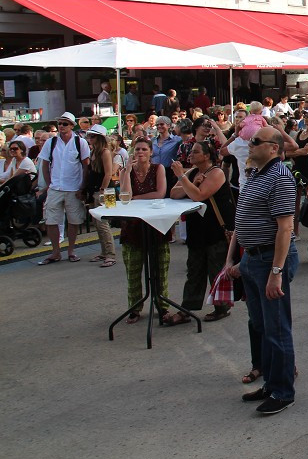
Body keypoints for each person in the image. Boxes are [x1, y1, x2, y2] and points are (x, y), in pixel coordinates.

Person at [224, 127, 299, 415]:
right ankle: (271, 382)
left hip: (270, 259)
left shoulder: (280, 176)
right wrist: (235, 260)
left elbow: (285, 227)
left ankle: (283, 392)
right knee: (262, 326)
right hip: (253, 259)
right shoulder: (256, 174)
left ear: (272, 148)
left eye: (255, 141)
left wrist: (276, 271)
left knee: (277, 327)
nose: (249, 144)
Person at [169, 140, 233, 323]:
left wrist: (183, 178)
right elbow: (174, 193)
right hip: (197, 229)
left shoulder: (216, 172)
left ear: (206, 155)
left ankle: (222, 307)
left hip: (215, 229)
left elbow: (199, 195)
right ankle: (187, 309)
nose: (191, 154)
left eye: (196, 152)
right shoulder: (193, 172)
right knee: (194, 270)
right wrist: (188, 180)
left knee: (215, 270)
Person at [117, 138, 167, 323]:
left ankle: (163, 306)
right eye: (137, 149)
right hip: (133, 225)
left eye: (144, 149)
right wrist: (127, 172)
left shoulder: (158, 169)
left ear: (150, 152)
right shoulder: (126, 171)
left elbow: (160, 193)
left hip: (155, 225)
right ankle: (134, 308)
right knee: (133, 270)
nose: (140, 152)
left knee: (160, 269)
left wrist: (135, 198)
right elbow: (125, 196)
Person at [38, 112, 91, 265]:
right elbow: (45, 165)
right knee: (51, 220)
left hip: (73, 188)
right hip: (55, 188)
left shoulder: (80, 142)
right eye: (60, 123)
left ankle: (71, 251)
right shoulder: (51, 142)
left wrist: (82, 186)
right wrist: (49, 185)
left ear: (72, 126)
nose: (61, 126)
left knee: (74, 221)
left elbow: (85, 165)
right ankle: (56, 252)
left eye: (65, 124)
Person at [83, 125, 117, 268]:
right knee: (98, 223)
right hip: (97, 190)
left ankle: (110, 254)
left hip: (106, 191)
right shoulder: (94, 152)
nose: (90, 139)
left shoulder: (104, 152)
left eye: (93, 136)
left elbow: (108, 173)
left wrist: (102, 190)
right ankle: (105, 252)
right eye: (89, 136)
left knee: (103, 224)